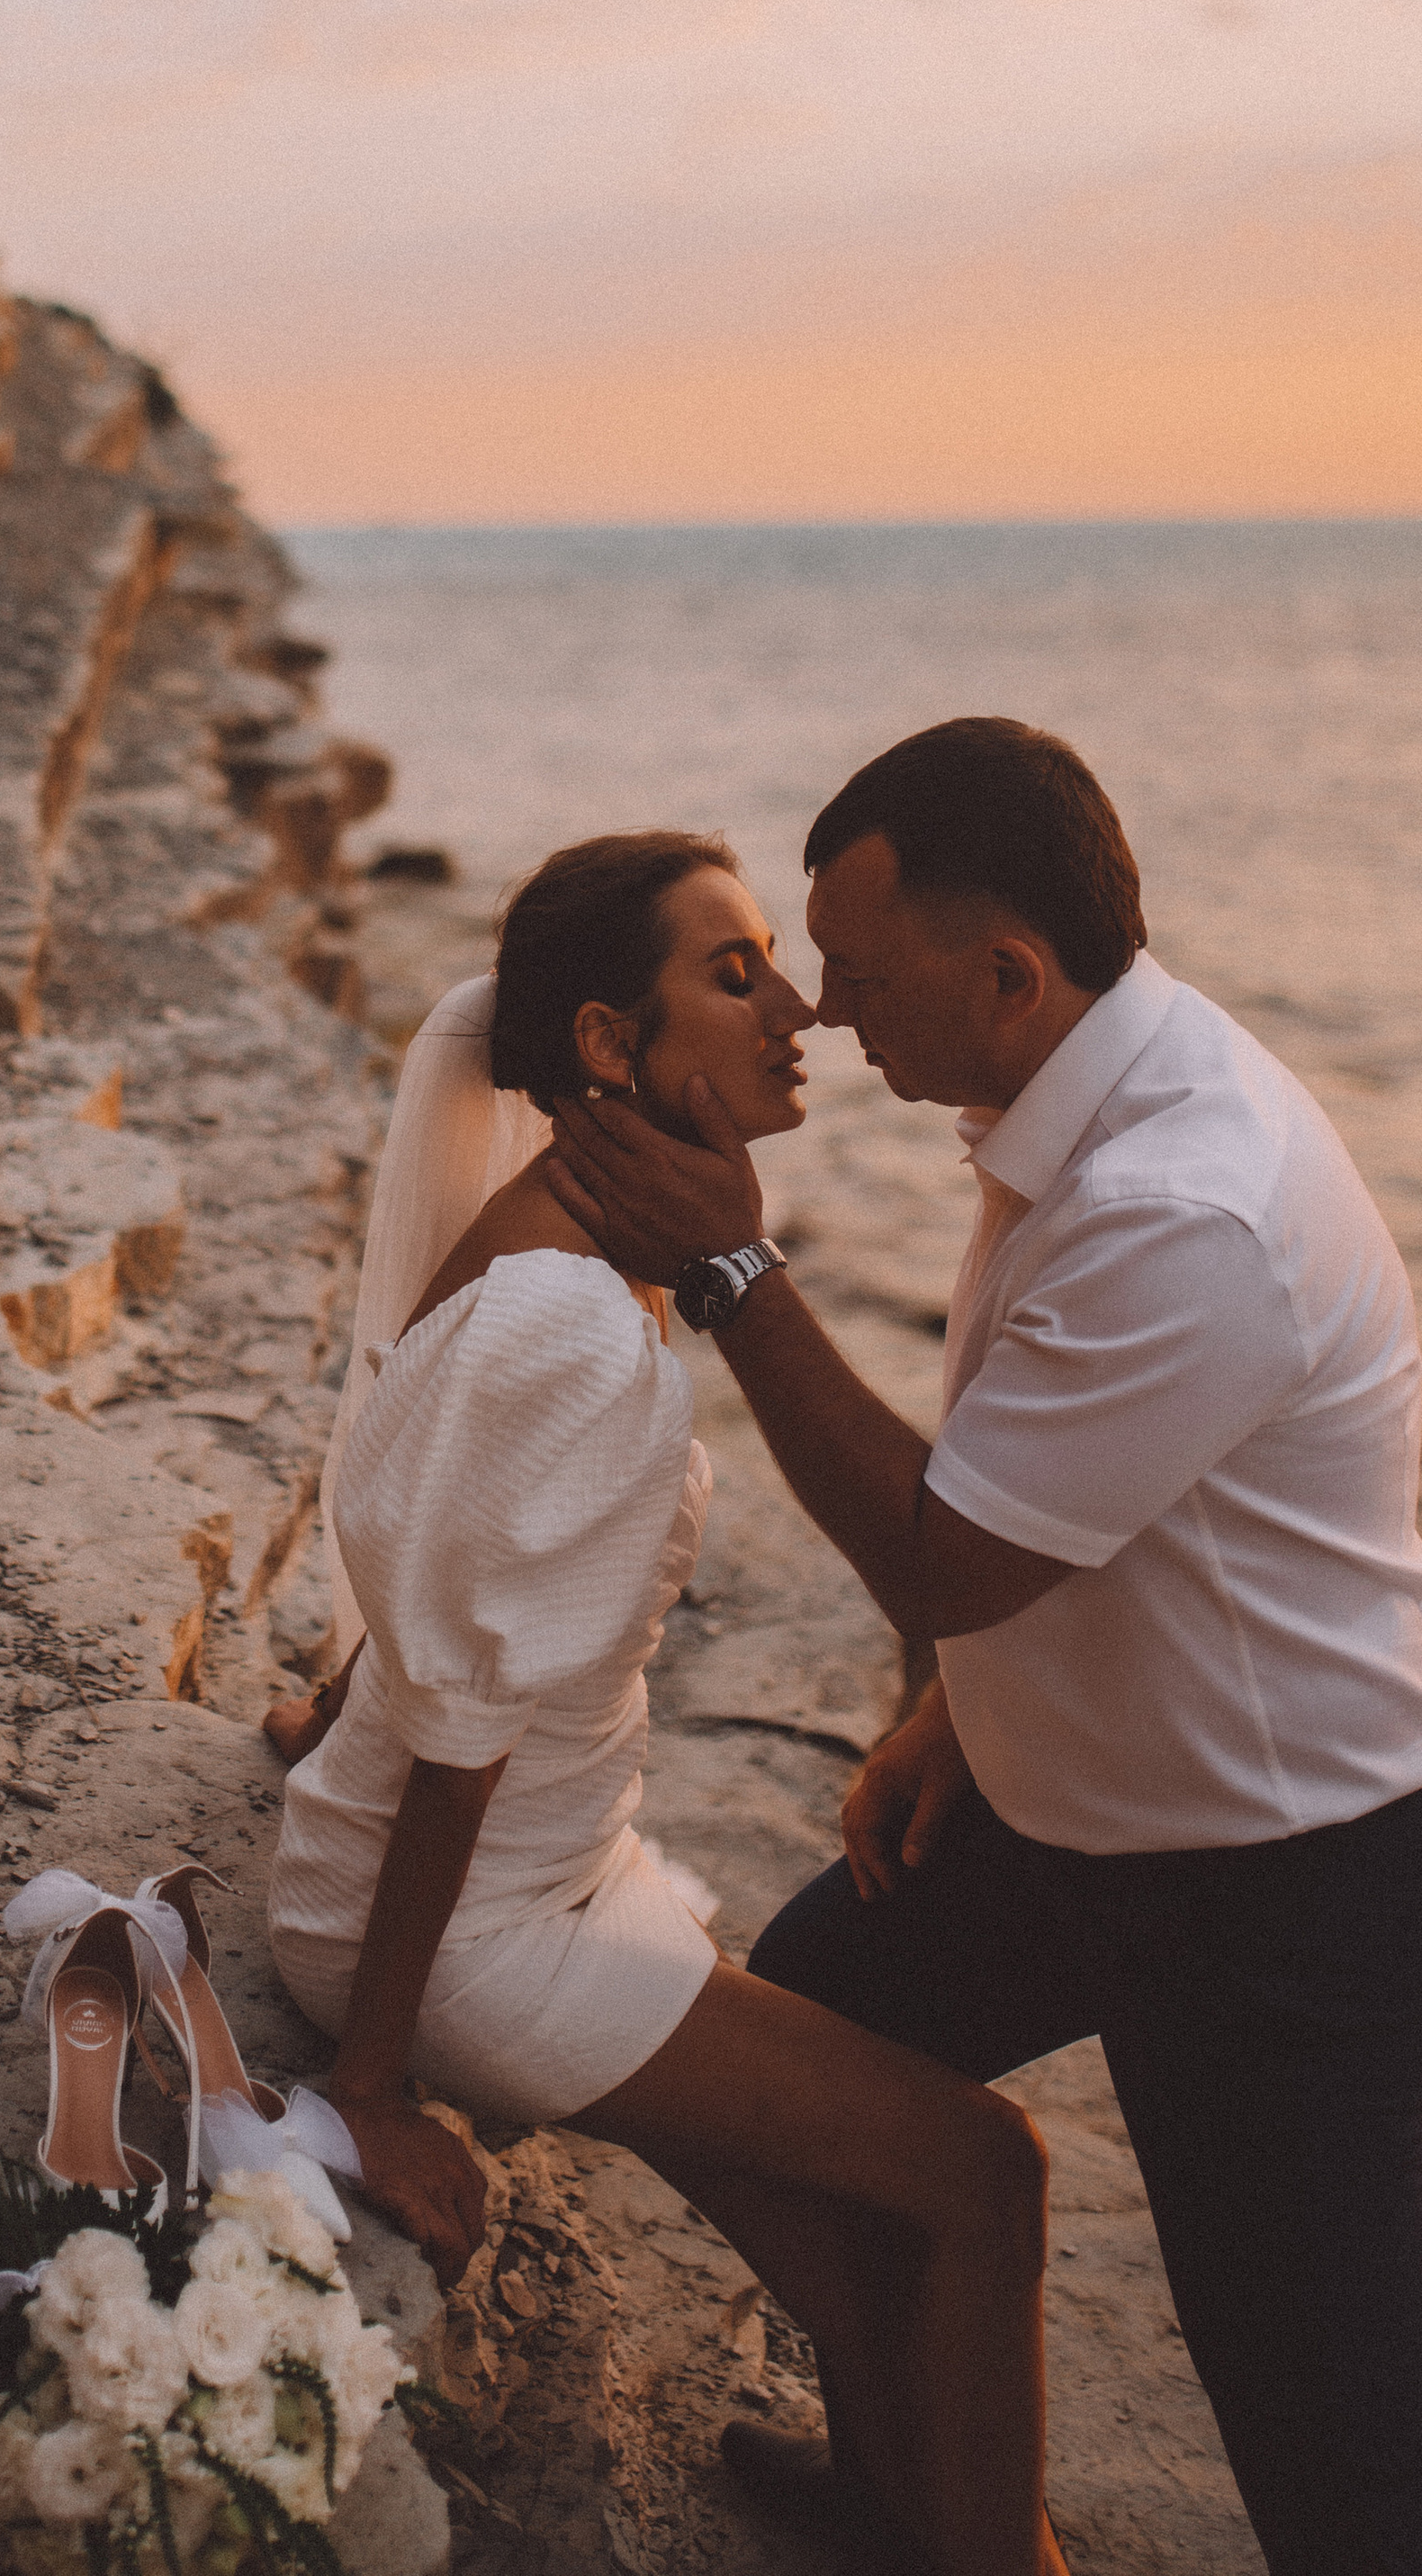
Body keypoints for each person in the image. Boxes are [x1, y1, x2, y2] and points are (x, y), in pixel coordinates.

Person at [547, 719, 1422, 2576]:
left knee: (1326, 2425)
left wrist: (731, 1271)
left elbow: (948, 1552)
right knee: (822, 2029)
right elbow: (1081, 1500)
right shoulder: (1069, 1088)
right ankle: (924, 2503)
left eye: (853, 974)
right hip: (1057, 1809)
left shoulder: (1185, 1204)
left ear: (1005, 970)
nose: (820, 1011)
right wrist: (964, 1710)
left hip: (1269, 1877)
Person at [269, 829, 1070, 2576]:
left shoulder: (552, 1251)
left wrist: (328, 1715)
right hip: (481, 1931)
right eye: (734, 972)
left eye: (776, 961)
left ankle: (894, 2507)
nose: (795, 1008)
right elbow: (465, 1727)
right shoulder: (567, 1321)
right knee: (982, 2172)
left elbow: (432, 1563)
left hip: (555, 1872)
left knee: (848, 2220)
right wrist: (373, 2083)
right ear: (607, 1049)